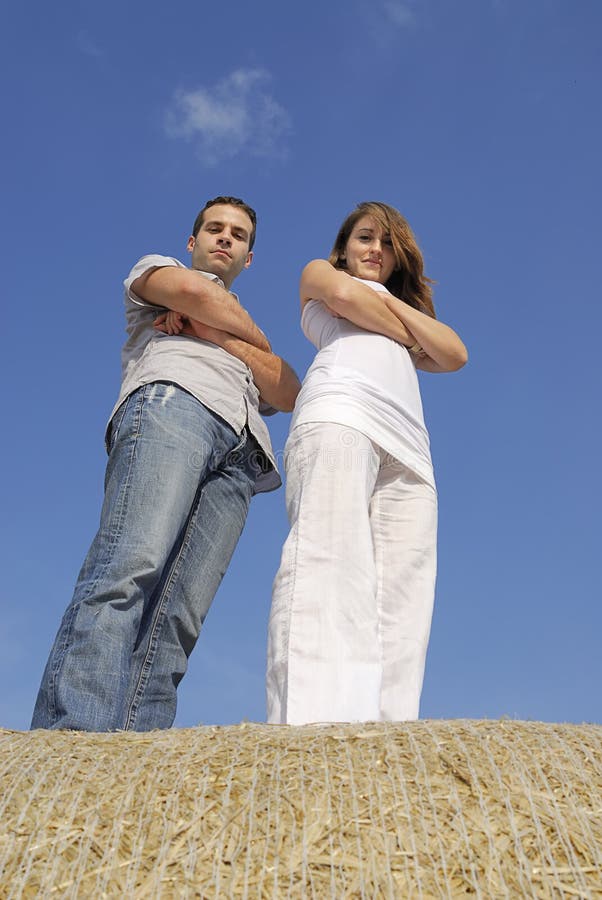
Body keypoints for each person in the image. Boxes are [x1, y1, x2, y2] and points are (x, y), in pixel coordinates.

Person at [32, 196, 300, 732]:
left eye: (239, 235)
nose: (225, 238)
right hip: (172, 405)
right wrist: (245, 336)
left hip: (242, 451)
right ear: (192, 241)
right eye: (215, 229)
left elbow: (289, 389)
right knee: (129, 568)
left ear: (248, 258)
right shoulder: (158, 269)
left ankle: (140, 747)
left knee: (179, 616)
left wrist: (216, 333)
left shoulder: (229, 320)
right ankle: (74, 736)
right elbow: (191, 292)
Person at [266, 201, 467, 725]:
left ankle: (390, 732)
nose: (374, 249)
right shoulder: (320, 272)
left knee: (405, 591)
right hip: (340, 414)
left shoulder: (393, 308)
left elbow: (454, 353)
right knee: (329, 561)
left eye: (385, 243)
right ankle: (313, 724)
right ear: (343, 249)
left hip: (410, 445)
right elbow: (338, 293)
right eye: (364, 238)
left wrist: (388, 309)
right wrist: (407, 331)